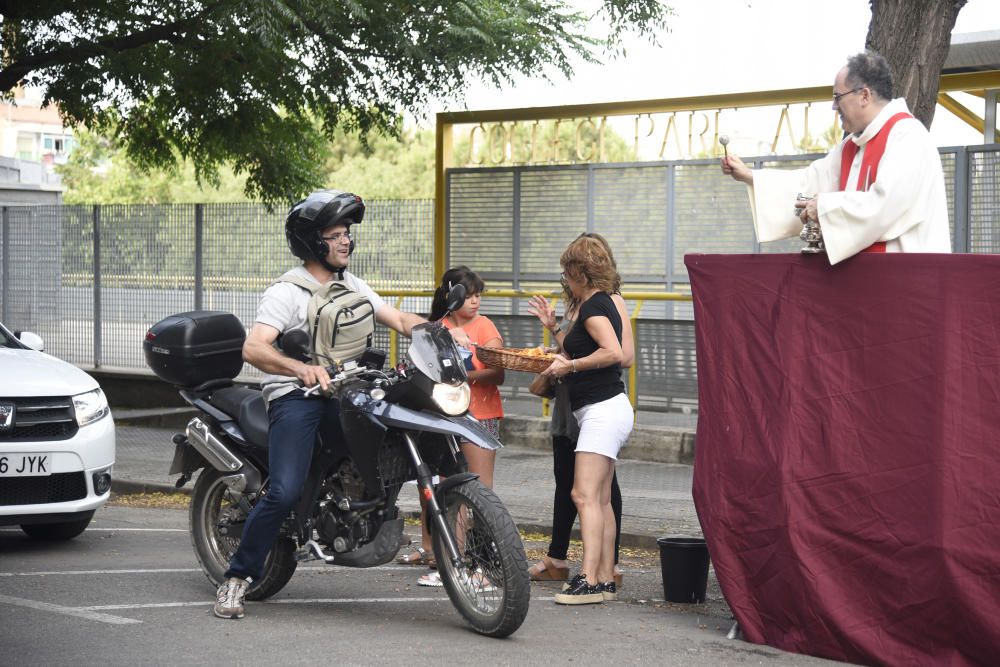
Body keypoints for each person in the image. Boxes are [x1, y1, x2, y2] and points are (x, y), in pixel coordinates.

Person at [214, 189, 467, 619]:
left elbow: (399, 319)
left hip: (350, 388)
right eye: (335, 235)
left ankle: (362, 502)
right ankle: (236, 579)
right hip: (298, 395)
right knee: (284, 489)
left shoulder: (350, 284)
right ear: (314, 242)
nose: (346, 241)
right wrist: (300, 369)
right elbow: (253, 348)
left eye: (347, 233)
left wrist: (439, 333)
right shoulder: (287, 292)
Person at [721, 50, 951, 265]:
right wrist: (750, 176)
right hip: (867, 283)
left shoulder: (908, 136)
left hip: (908, 279)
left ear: (864, 95)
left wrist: (824, 208)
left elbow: (886, 205)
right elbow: (810, 184)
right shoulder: (852, 145)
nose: (833, 106)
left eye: (837, 96)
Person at [526, 233, 632, 588]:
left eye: (568, 272)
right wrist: (556, 332)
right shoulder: (596, 304)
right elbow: (591, 349)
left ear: (581, 273)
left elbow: (616, 354)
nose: (564, 279)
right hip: (603, 409)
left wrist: (568, 367)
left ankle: (588, 577)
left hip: (602, 410)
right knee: (599, 498)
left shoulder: (595, 305)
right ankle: (603, 576)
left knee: (582, 495)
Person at [411, 266, 506, 587]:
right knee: (447, 490)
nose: (476, 302)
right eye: (470, 296)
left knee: (480, 492)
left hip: (481, 415)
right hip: (445, 416)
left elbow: (497, 373)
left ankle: (485, 566)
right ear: (453, 296)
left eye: (480, 295)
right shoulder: (438, 328)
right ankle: (452, 561)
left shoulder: (485, 327)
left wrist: (464, 377)